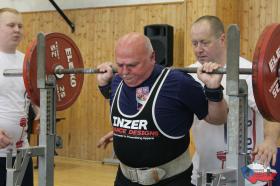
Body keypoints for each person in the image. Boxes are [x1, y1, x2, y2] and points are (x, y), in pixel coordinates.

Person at [96, 32, 228, 186]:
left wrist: (214, 90)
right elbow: (131, 110)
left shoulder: (178, 83)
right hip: (124, 179)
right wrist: (104, 87)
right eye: (120, 65)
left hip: (170, 180)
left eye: (132, 65)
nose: (124, 72)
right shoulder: (117, 81)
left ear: (152, 57)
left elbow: (218, 118)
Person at [189, 15, 279, 186]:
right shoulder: (190, 76)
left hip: (252, 173)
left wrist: (270, 140)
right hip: (204, 172)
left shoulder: (250, 72)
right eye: (194, 43)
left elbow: (273, 114)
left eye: (204, 42)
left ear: (222, 39)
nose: (198, 49)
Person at [0, 8, 37, 186]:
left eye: (20, 26)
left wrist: (42, 111)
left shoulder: (27, 62)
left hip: (23, 152)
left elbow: (36, 96)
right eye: (11, 25)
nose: (17, 29)